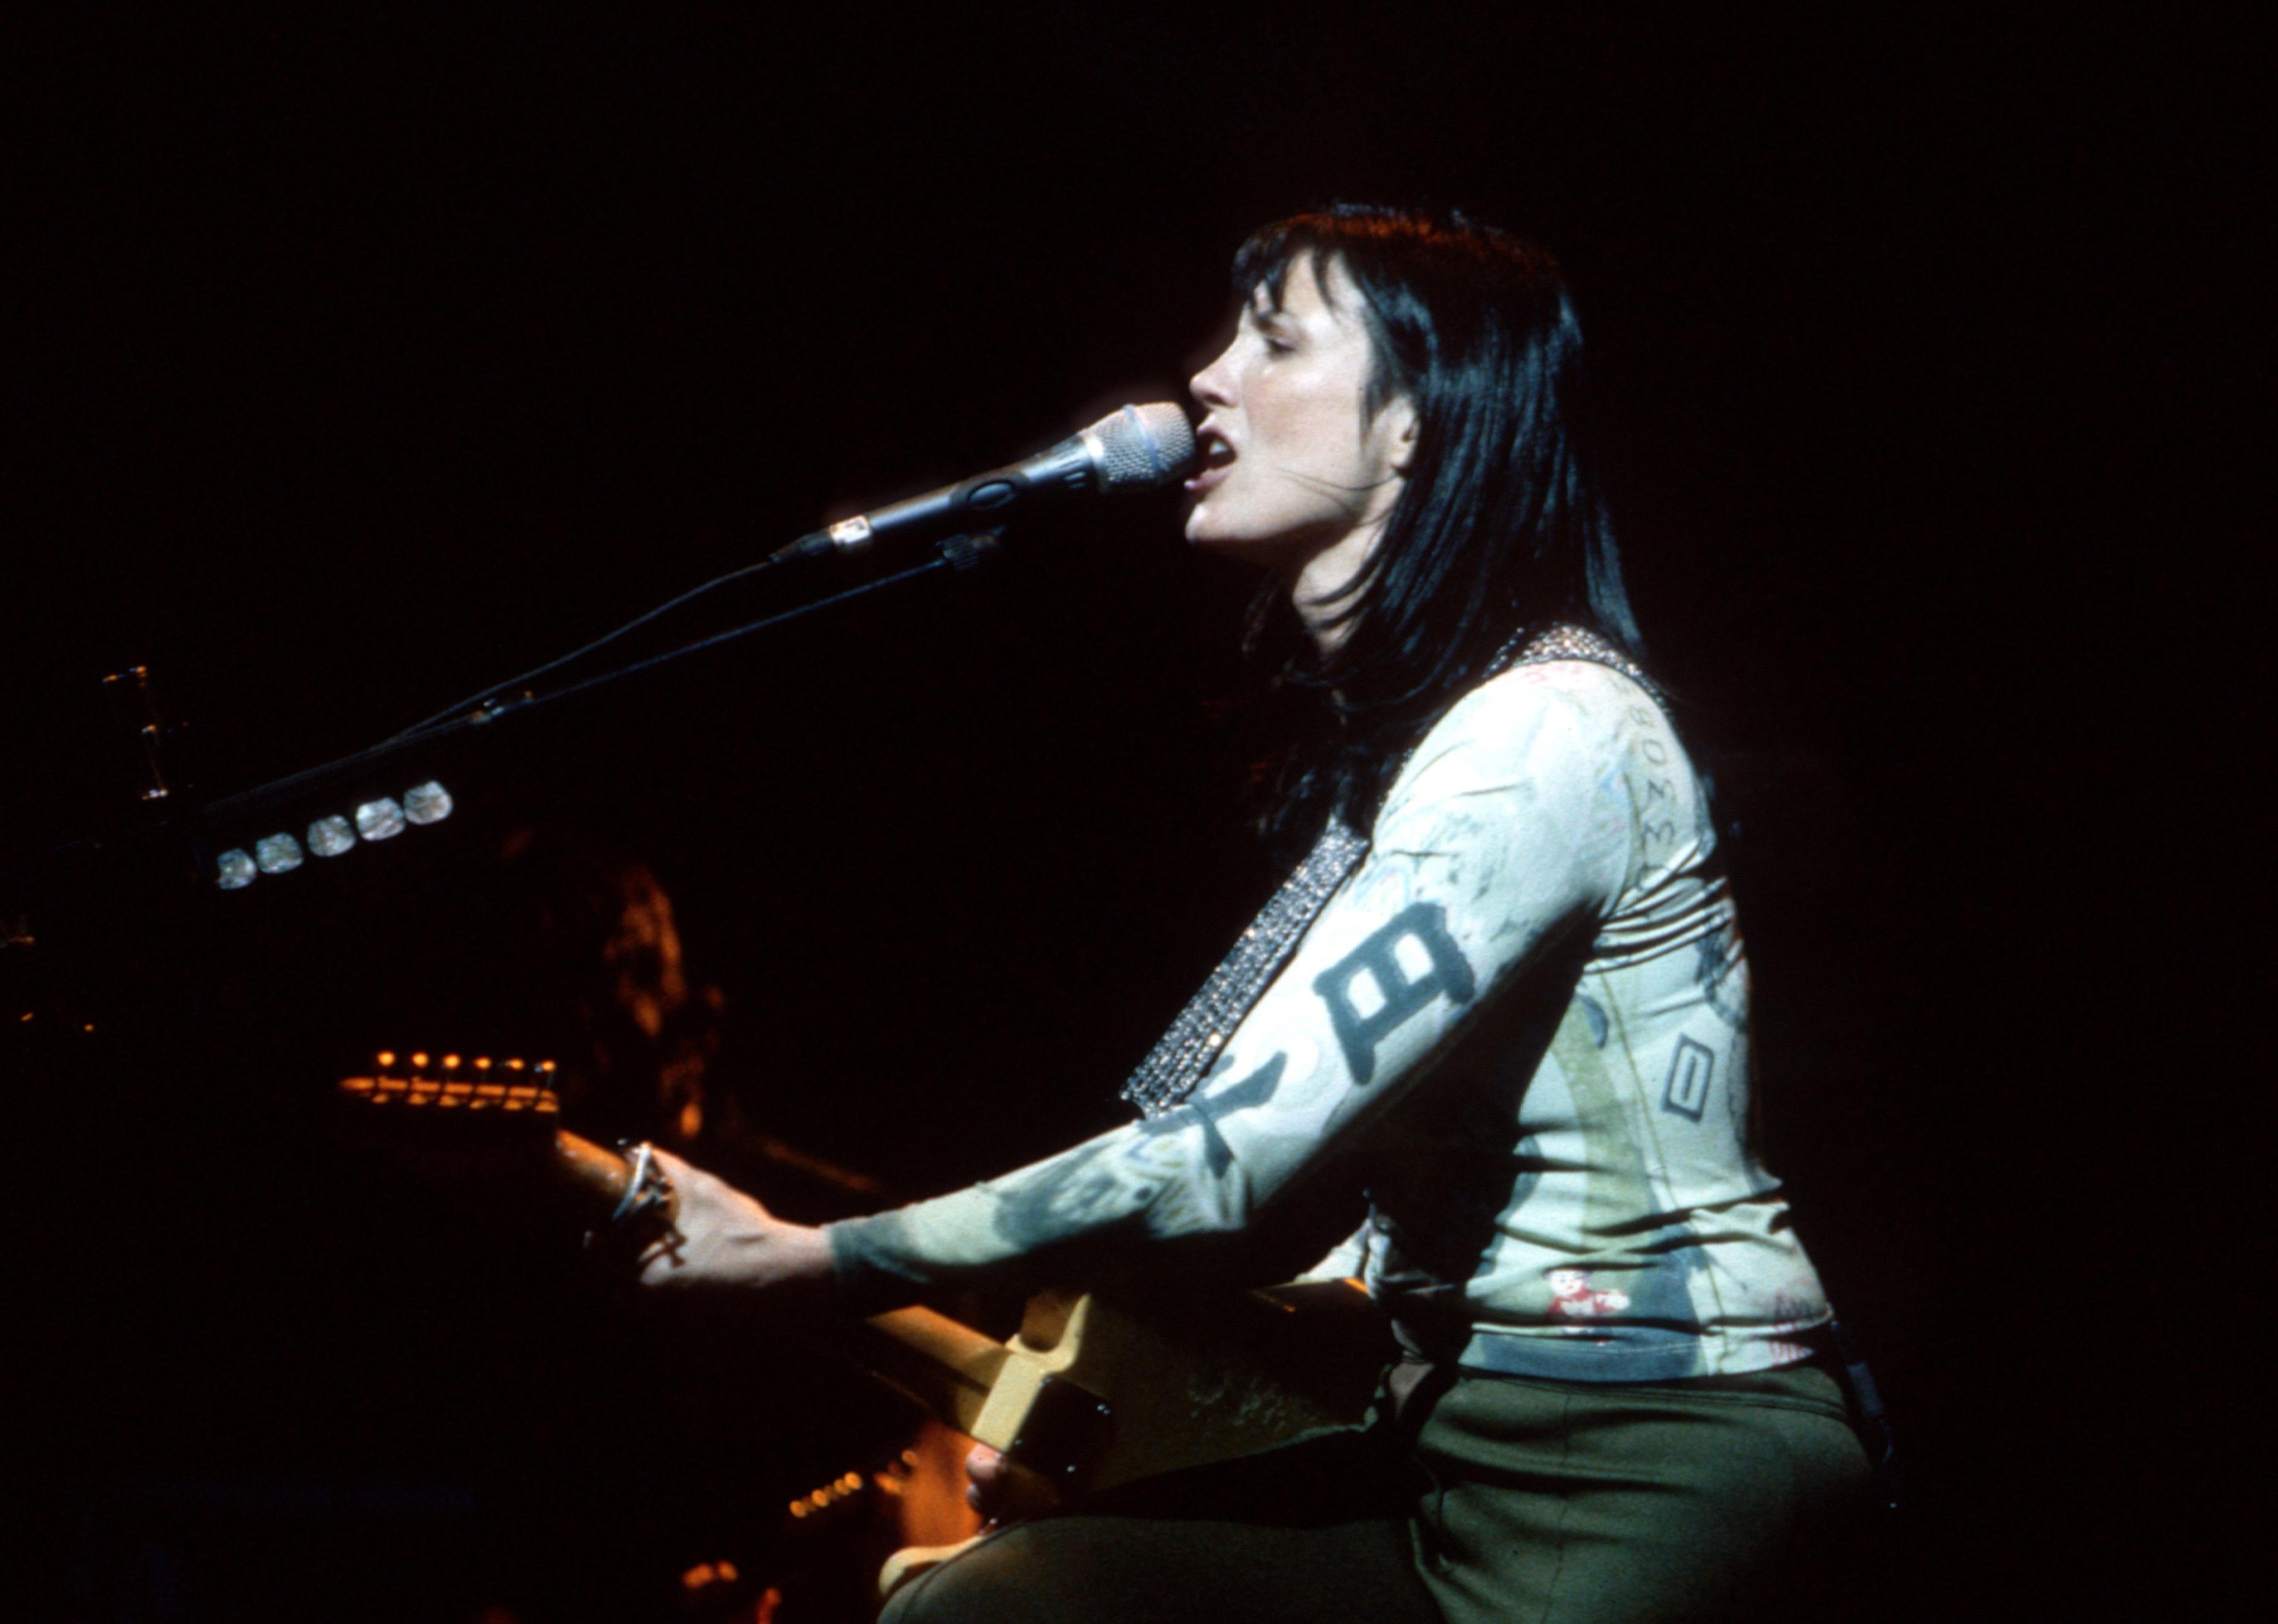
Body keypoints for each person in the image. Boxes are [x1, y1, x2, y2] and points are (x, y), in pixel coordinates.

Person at [635, 205, 1877, 1622]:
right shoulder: (1411, 757)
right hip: (1435, 1440)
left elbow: (1221, 1158)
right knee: (978, 1605)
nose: (1204, 380)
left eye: (1272, 341)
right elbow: (1406, 1181)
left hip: (1655, 1467)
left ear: (1418, 424)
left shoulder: (1548, 733)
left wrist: (808, 1260)